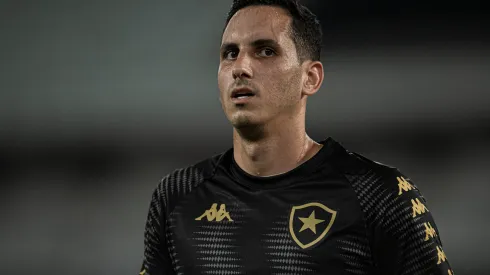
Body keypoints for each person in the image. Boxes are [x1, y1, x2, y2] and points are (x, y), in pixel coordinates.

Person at [139, 0, 453, 274]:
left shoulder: (378, 195)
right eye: (230, 54)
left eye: (265, 51)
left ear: (310, 77)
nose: (240, 68)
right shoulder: (177, 196)